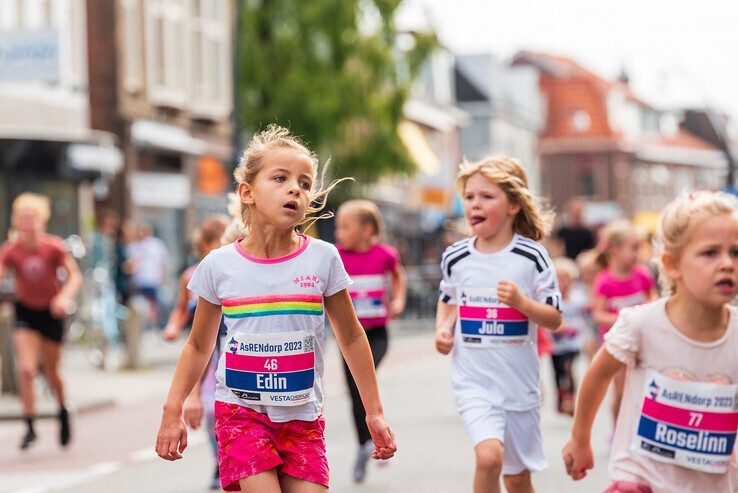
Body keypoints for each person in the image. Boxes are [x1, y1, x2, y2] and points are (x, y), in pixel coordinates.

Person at [155, 124, 397, 493]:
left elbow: (350, 337)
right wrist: (172, 409)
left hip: (303, 419)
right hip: (240, 416)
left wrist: (374, 411)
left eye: (304, 183)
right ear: (247, 192)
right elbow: (199, 345)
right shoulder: (219, 266)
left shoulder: (323, 259)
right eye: (281, 178)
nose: (294, 190)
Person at [563, 191, 738, 492]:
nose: (727, 263)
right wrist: (580, 440)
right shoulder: (642, 324)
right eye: (710, 253)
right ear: (671, 264)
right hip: (642, 481)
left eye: (735, 252)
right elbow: (597, 375)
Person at [434, 156, 563, 493]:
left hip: (519, 386)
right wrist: (443, 330)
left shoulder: (532, 256)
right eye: (470, 197)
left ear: (513, 206)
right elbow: (448, 301)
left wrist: (522, 303)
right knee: (489, 458)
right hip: (474, 382)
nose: (475, 204)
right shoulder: (456, 256)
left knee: (518, 479)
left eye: (487, 197)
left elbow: (554, 318)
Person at [0, 193, 83, 449]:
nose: (27, 224)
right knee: (26, 370)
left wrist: (63, 298)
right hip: (25, 311)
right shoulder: (11, 250)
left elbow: (74, 277)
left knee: (51, 371)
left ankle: (62, 410)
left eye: (32, 218)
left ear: (41, 221)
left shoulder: (54, 247)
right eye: (22, 219)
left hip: (51, 312)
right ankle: (30, 425)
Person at [334, 199, 407, 483]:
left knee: (363, 379)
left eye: (345, 226)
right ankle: (365, 444)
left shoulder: (385, 255)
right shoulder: (336, 255)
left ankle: (374, 429)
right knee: (353, 392)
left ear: (367, 230)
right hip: (348, 335)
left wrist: (398, 299)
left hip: (376, 333)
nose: (338, 232)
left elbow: (398, 277)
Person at [162, 216, 229, 489]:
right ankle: (219, 458)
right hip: (203, 349)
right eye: (217, 243)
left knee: (223, 408)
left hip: (226, 345)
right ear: (204, 245)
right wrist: (172, 326)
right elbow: (181, 308)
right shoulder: (190, 276)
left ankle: (226, 459)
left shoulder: (232, 270)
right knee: (209, 409)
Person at [591, 220, 657, 427]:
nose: (637, 254)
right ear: (615, 250)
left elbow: (652, 301)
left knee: (644, 388)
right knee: (620, 391)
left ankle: (640, 428)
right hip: (617, 345)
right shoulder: (604, 281)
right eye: (634, 248)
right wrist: (626, 318)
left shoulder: (642, 275)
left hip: (644, 342)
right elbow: (598, 314)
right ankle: (617, 431)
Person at [548, 257, 587, 415]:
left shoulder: (578, 298)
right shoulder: (551, 299)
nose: (562, 282)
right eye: (559, 278)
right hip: (556, 344)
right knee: (558, 372)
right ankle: (560, 397)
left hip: (573, 343)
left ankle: (570, 398)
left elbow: (586, 315)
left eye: (565, 278)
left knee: (569, 368)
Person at [128, 221, 168, 329]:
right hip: (139, 281)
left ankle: (153, 327)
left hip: (153, 280)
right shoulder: (134, 246)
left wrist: (162, 278)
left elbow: (162, 264)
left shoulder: (157, 245)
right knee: (142, 306)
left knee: (154, 305)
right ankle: (144, 327)